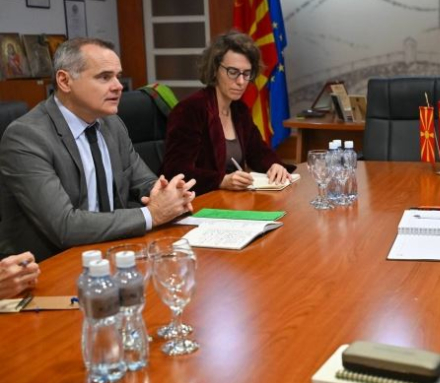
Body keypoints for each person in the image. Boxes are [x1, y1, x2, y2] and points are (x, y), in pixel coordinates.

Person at [0, 38, 196, 262]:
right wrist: (152, 214)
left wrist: (167, 194)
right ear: (64, 81)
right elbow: (65, 226)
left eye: (118, 76)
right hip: (50, 264)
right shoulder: (26, 137)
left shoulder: (111, 123)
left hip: (111, 250)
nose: (118, 86)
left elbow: (143, 181)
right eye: (104, 77)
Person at [162, 30, 295, 195]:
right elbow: (175, 171)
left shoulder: (239, 110)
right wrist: (221, 180)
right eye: (233, 72)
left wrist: (274, 165)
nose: (241, 81)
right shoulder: (190, 110)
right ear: (215, 70)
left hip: (232, 200)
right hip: (198, 202)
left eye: (246, 73)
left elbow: (258, 152)